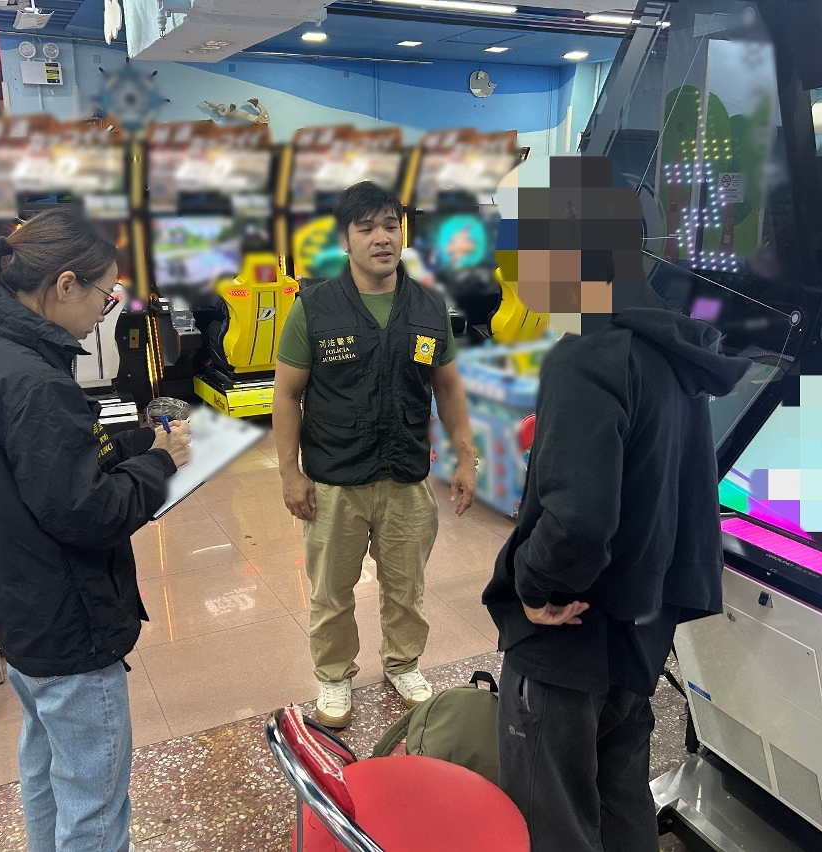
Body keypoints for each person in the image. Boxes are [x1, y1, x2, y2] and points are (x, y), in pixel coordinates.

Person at [481, 156, 752, 852]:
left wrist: (534, 587)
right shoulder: (671, 349)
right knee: (621, 794)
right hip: (639, 628)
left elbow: (579, 520)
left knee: (555, 814)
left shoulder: (587, 357)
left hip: (571, 638)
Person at [0, 210, 190, 852]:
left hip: (24, 610)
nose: (105, 311)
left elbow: (54, 464)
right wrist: (161, 465)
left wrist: (140, 443)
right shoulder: (36, 381)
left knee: (47, 769)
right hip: (70, 622)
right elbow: (90, 512)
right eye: (104, 295)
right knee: (94, 798)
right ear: (65, 285)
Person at [273, 181, 477, 728]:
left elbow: (448, 387)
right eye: (366, 228)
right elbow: (286, 395)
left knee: (406, 587)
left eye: (390, 225)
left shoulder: (428, 307)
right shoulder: (314, 308)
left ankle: (403, 663)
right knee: (331, 592)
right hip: (334, 479)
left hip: (406, 475)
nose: (381, 238)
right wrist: (290, 473)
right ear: (346, 239)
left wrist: (465, 456)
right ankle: (334, 674)